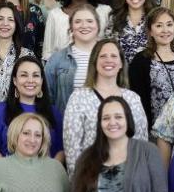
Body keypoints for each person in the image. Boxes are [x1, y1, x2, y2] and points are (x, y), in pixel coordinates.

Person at [62, 40, 150, 174]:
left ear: (121, 63)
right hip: (90, 181)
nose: (108, 60)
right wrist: (81, 185)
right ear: (94, 62)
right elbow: (72, 149)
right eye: (103, 56)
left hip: (127, 181)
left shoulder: (133, 99)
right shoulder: (78, 98)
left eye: (114, 56)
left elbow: (141, 143)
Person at [0, 55, 65, 162]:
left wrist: (49, 173)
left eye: (36, 75)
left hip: (45, 176)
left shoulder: (54, 112)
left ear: (42, 81)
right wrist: (9, 173)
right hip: (8, 175)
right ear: (15, 80)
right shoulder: (0, 110)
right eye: (24, 75)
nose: (30, 80)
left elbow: (62, 150)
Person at [42, 0, 112, 61]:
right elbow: (47, 53)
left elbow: (112, 48)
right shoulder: (55, 15)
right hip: (62, 72)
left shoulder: (105, 12)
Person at [129, 7, 174, 124]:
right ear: (150, 32)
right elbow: (138, 100)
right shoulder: (140, 61)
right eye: (159, 26)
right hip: (154, 128)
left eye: (169, 25)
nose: (165, 30)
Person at [46, 5, 104, 114]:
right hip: (67, 124)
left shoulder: (109, 56)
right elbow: (47, 97)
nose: (84, 25)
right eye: (78, 22)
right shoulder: (57, 59)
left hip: (104, 124)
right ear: (71, 27)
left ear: (98, 26)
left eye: (89, 21)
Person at [107, 0, 159, 64]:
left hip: (149, 73)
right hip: (122, 74)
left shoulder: (156, 18)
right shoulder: (114, 18)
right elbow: (108, 49)